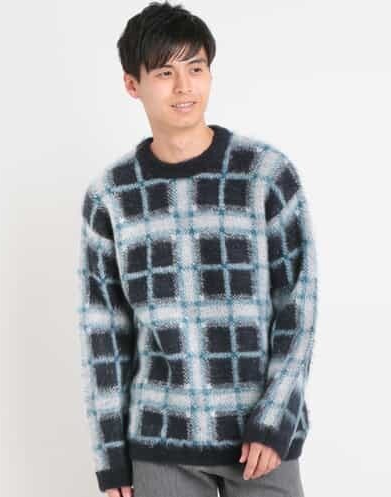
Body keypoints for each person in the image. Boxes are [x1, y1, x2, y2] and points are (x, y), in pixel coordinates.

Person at [76, 2, 318, 496]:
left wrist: (275, 420)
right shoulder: (111, 196)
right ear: (132, 84)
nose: (184, 87)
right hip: (160, 444)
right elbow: (103, 332)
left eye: (196, 68)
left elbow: (299, 304)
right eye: (165, 73)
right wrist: (111, 457)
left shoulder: (265, 175)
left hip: (260, 443)